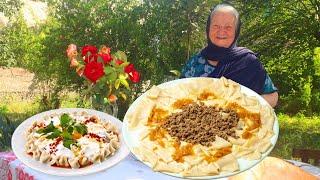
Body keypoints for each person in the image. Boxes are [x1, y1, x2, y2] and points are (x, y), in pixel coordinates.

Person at [181, 3, 278, 107]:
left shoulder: (248, 62)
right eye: (216, 26)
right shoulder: (194, 63)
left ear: (236, 31)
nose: (221, 31)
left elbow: (272, 96)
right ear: (208, 28)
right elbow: (178, 95)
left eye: (228, 27)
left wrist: (243, 106)